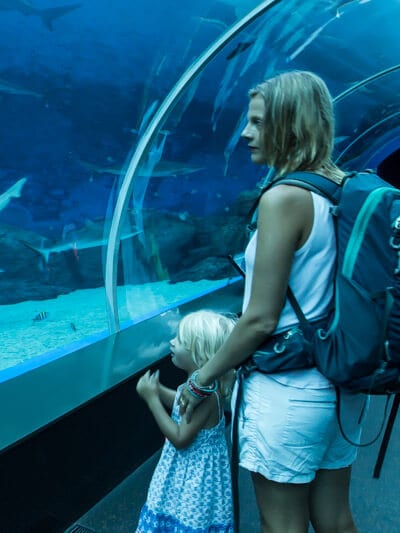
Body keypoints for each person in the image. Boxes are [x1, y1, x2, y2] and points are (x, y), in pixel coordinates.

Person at [178, 70, 360, 533]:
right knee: (336, 518)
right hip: (342, 384)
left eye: (258, 123)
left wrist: (200, 380)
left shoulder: (283, 198)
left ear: (290, 125)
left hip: (290, 390)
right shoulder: (342, 189)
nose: (245, 133)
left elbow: (260, 319)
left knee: (280, 524)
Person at [136, 310, 236, 532]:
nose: (172, 342)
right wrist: (159, 391)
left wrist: (152, 400)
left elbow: (181, 438)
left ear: (200, 355)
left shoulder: (206, 396)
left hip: (194, 478)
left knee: (187, 522)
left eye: (180, 340)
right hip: (189, 472)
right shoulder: (199, 386)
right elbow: (182, 404)